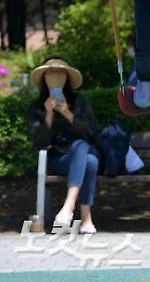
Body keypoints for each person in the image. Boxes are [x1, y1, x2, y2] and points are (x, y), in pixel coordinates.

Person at [26, 57, 99, 234]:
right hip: (58, 158)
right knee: (91, 162)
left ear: (67, 77)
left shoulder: (79, 101)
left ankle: (68, 206)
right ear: (44, 77)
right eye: (51, 71)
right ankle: (86, 220)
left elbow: (91, 134)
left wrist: (66, 112)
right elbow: (40, 142)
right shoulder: (36, 107)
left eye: (60, 71)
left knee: (81, 146)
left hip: (82, 149)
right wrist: (49, 115)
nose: (55, 74)